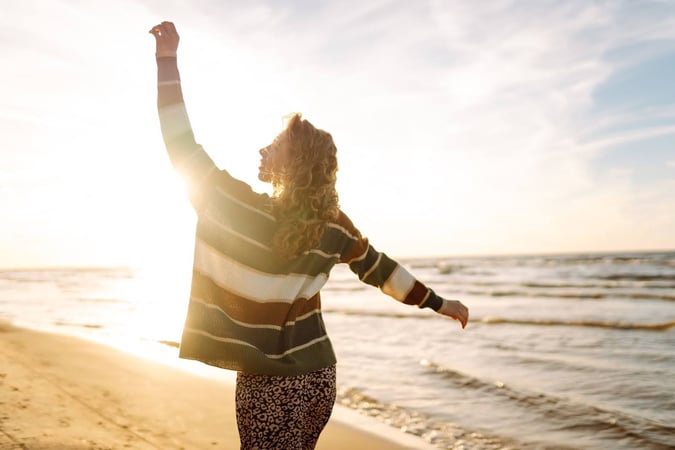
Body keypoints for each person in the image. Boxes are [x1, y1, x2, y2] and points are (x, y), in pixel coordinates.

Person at [149, 21, 469, 450]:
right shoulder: (332, 223)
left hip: (268, 380)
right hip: (318, 376)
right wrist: (440, 303)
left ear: (294, 162)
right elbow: (380, 270)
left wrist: (166, 61)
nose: (264, 150)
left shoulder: (238, 207)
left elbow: (181, 145)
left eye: (275, 145)